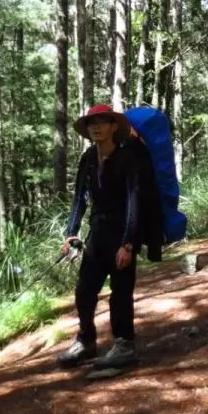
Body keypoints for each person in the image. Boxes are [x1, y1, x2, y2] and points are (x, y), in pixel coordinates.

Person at [56, 104, 142, 371]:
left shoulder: (127, 158)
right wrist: (72, 232)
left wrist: (128, 243)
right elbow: (80, 197)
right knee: (84, 290)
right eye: (92, 123)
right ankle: (86, 340)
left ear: (113, 126)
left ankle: (124, 345)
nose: (96, 127)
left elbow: (133, 201)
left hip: (122, 233)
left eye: (102, 122)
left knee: (121, 293)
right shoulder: (89, 158)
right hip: (98, 233)